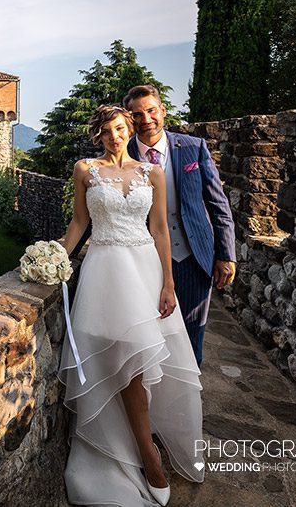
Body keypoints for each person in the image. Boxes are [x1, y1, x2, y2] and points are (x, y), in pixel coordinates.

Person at [59, 105, 203, 507]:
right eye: (106, 131)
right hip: (105, 271)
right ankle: (145, 454)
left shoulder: (151, 173)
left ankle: (146, 447)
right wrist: (55, 259)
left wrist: (169, 283)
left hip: (145, 272)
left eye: (120, 128)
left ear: (130, 129)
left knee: (141, 361)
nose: (114, 136)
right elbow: (78, 224)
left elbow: (159, 229)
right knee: (122, 362)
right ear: (98, 136)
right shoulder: (85, 170)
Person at [124, 85, 236, 366]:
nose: (146, 119)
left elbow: (218, 204)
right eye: (137, 114)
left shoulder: (193, 147)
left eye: (151, 110)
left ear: (162, 111)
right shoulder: (122, 153)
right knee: (148, 338)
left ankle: (187, 406)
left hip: (194, 258)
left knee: (191, 338)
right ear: (130, 118)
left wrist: (226, 254)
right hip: (144, 260)